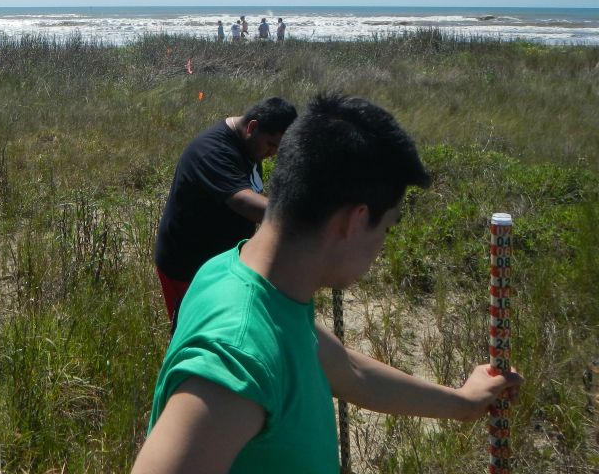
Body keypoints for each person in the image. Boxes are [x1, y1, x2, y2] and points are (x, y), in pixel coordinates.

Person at [132, 94, 523, 474]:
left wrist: (463, 403)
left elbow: (351, 372)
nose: (381, 247)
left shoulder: (234, 274)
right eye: (385, 229)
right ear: (354, 222)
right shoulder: (238, 357)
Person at [154, 97, 298, 323]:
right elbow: (243, 201)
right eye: (271, 144)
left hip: (221, 265)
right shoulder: (212, 150)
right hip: (188, 267)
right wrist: (301, 217)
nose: (272, 153)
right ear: (252, 127)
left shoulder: (250, 146)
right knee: (195, 332)